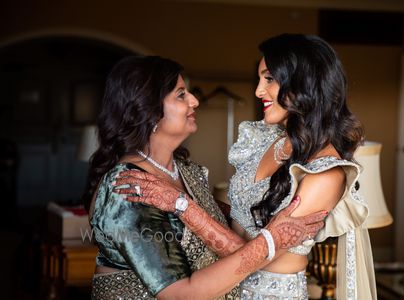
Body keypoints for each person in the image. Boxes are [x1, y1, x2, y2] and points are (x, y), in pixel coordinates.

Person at [118, 34, 377, 299]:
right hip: (227, 289)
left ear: (304, 84)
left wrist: (183, 205)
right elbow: (249, 219)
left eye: (269, 79)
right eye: (259, 79)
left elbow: (263, 258)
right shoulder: (266, 140)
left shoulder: (325, 173)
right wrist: (186, 195)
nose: (258, 91)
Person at [85, 55, 328, 300]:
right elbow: (179, 294)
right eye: (181, 94)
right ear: (147, 109)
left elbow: (217, 233)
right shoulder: (128, 186)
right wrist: (272, 240)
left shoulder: (187, 171)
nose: (194, 100)